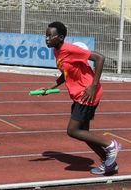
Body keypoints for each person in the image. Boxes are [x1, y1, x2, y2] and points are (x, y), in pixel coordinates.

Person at [41, 21, 120, 175]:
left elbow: (100, 58)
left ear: (61, 37)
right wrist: (50, 88)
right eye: (46, 35)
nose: (47, 39)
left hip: (87, 93)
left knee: (73, 130)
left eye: (50, 36)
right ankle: (110, 165)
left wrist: (93, 86)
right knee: (84, 133)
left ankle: (111, 144)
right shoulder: (57, 51)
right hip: (79, 95)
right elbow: (67, 73)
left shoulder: (69, 49)